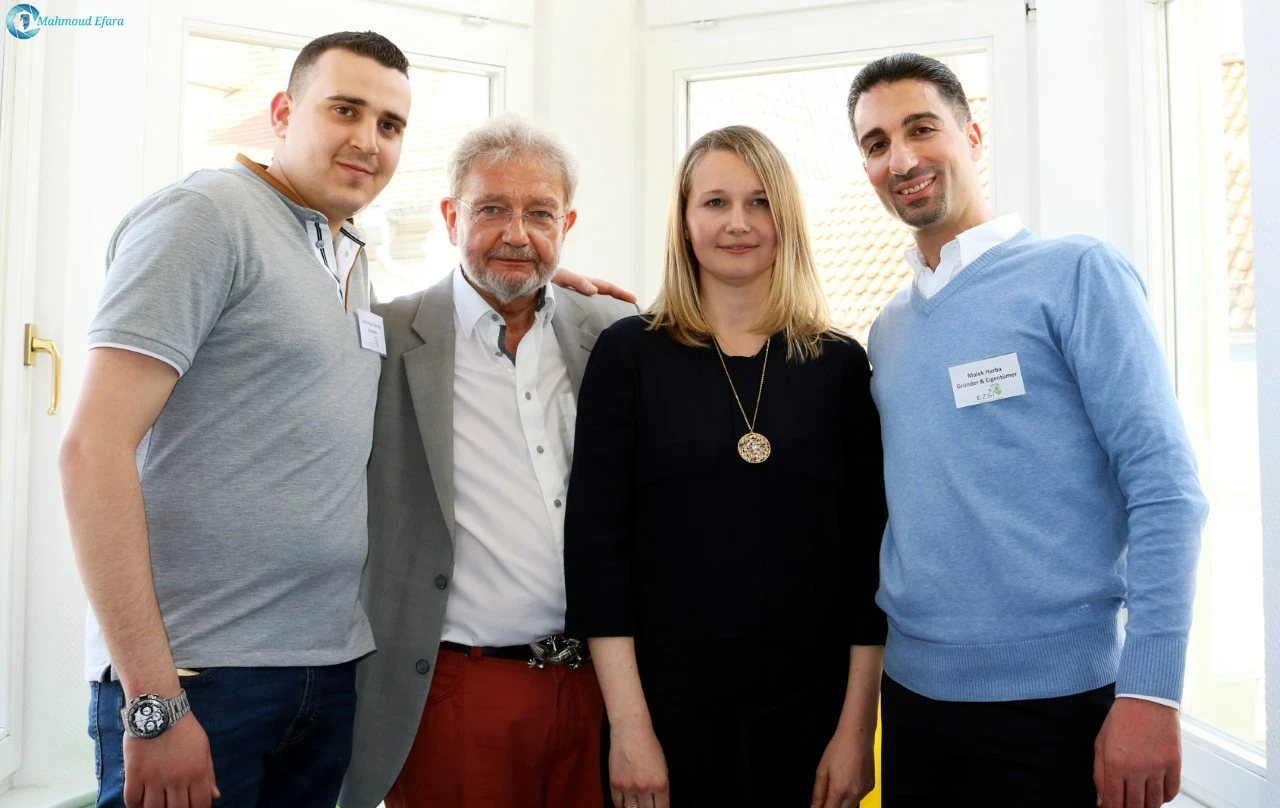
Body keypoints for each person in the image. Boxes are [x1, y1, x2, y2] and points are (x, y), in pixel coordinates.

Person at [61, 33, 622, 808]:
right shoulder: (206, 215)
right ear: (283, 113)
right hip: (203, 676)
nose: (368, 140)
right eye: (345, 110)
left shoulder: (345, 257)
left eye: (390, 124)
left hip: (328, 675)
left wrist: (540, 277)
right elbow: (91, 450)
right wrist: (154, 702)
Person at [845, 53, 1209, 808]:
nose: (901, 159)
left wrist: (1151, 691)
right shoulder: (889, 330)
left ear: (972, 137)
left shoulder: (1076, 274)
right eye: (877, 144)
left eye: (921, 129)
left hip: (1061, 707)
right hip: (912, 704)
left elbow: (1165, 489)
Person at [563, 125, 886, 808]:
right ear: (684, 222)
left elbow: (869, 561)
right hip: (665, 719)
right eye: (715, 202)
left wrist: (856, 730)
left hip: (813, 720)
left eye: (759, 202)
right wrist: (630, 729)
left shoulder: (840, 366)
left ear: (785, 220)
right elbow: (597, 555)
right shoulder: (628, 356)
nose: (738, 222)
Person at [339, 115, 637, 808]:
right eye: (492, 210)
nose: (517, 234)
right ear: (451, 218)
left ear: (567, 223)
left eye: (540, 214)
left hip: (601, 690)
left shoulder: (614, 333)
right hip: (457, 693)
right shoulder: (382, 339)